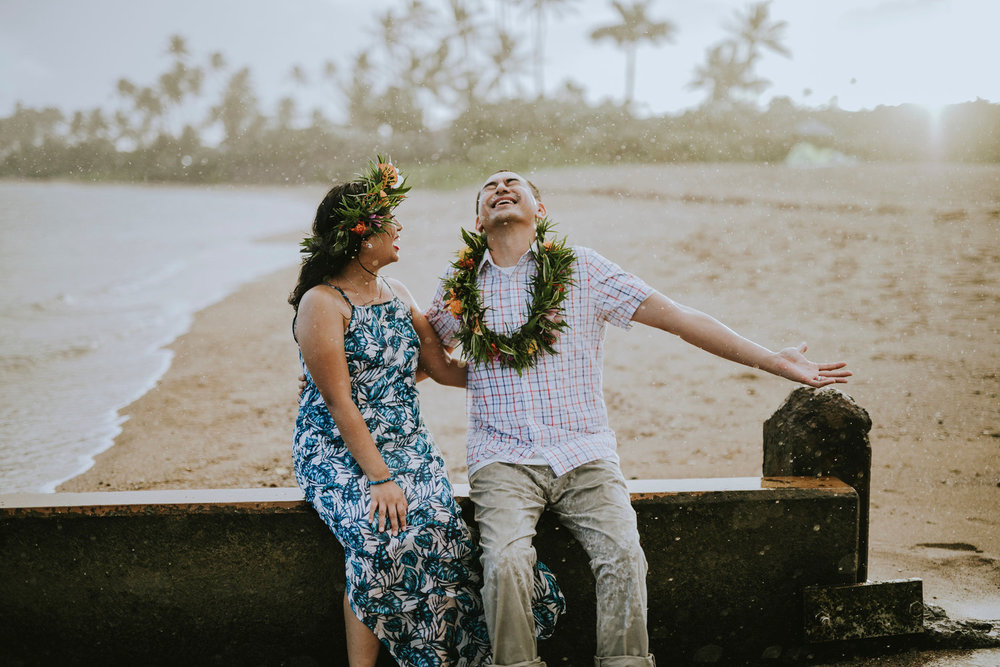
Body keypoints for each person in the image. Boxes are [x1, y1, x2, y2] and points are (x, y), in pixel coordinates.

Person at [424, 170, 852, 667]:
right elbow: (422, 359)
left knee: (624, 556)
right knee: (504, 562)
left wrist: (770, 360)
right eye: (489, 188)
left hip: (585, 453)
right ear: (479, 220)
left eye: (513, 183)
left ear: (540, 212)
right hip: (501, 459)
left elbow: (679, 317)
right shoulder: (460, 288)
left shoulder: (583, 270)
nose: (500, 187)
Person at [289, 159, 563, 667]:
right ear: (360, 234)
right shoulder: (321, 303)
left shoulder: (400, 295)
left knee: (441, 526)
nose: (398, 230)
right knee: (381, 535)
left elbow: (442, 368)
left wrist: (528, 366)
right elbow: (338, 400)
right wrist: (380, 477)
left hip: (408, 440)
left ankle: (455, 655)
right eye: (388, 221)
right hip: (336, 446)